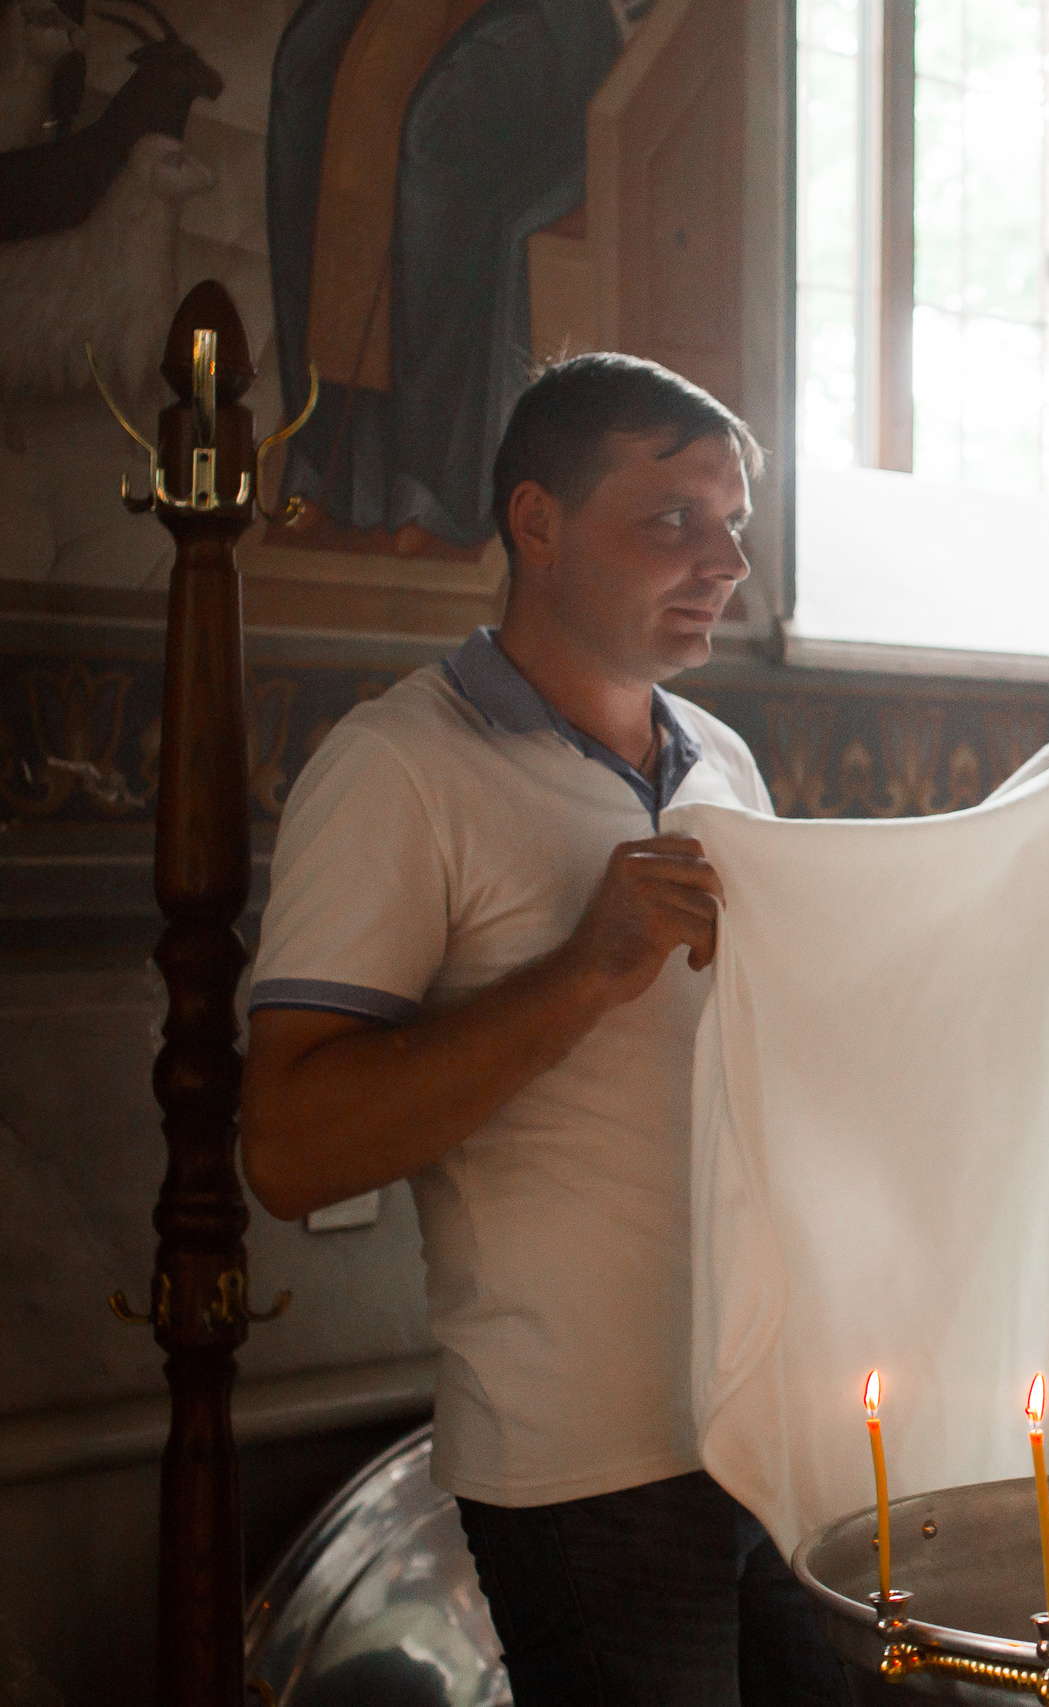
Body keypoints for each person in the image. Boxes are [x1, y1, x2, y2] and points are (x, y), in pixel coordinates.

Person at [238, 353, 847, 1707]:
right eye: (674, 518)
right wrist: (584, 969)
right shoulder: (398, 768)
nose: (725, 560)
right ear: (538, 522)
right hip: (586, 1464)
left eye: (734, 522)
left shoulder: (722, 761)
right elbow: (286, 1148)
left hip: (765, 1422)